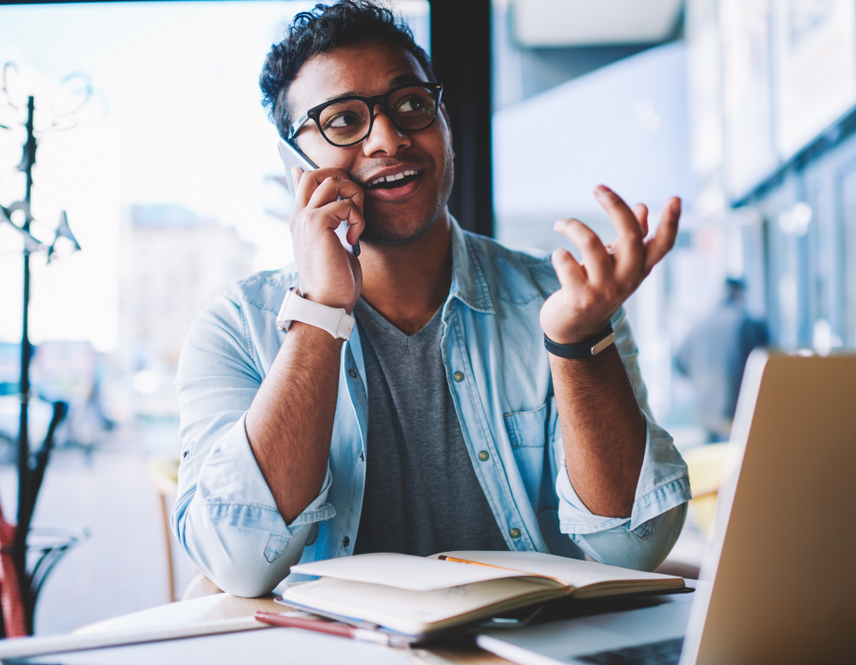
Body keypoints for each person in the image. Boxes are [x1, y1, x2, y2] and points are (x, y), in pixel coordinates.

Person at [171, 1, 690, 598]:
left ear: (443, 122)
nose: (389, 139)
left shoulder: (567, 305)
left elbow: (634, 547)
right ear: (296, 167)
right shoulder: (236, 329)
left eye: (412, 105)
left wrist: (576, 345)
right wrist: (320, 311)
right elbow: (238, 563)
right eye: (343, 121)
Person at [675, 278, 769, 442]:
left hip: (706, 412)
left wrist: (702, 378)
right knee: (736, 462)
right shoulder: (748, 323)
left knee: (712, 461)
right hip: (736, 410)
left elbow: (679, 363)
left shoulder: (699, 324)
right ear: (740, 294)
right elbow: (767, 364)